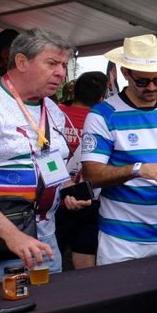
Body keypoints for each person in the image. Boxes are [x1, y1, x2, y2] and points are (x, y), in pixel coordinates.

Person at [0, 28, 88, 286]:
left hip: (42, 232)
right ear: (21, 62)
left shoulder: (51, 108)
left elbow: (48, 159)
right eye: (51, 63)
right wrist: (12, 235)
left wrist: (65, 189)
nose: (61, 73)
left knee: (46, 308)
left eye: (64, 65)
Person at [81, 34, 157, 265]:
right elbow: (92, 175)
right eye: (143, 81)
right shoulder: (102, 115)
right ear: (125, 73)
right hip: (120, 237)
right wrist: (137, 170)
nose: (152, 87)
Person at [56, 71, 108, 269]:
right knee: (85, 254)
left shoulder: (55, 113)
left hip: (56, 196)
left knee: (52, 253)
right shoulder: (102, 120)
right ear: (102, 97)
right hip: (90, 197)